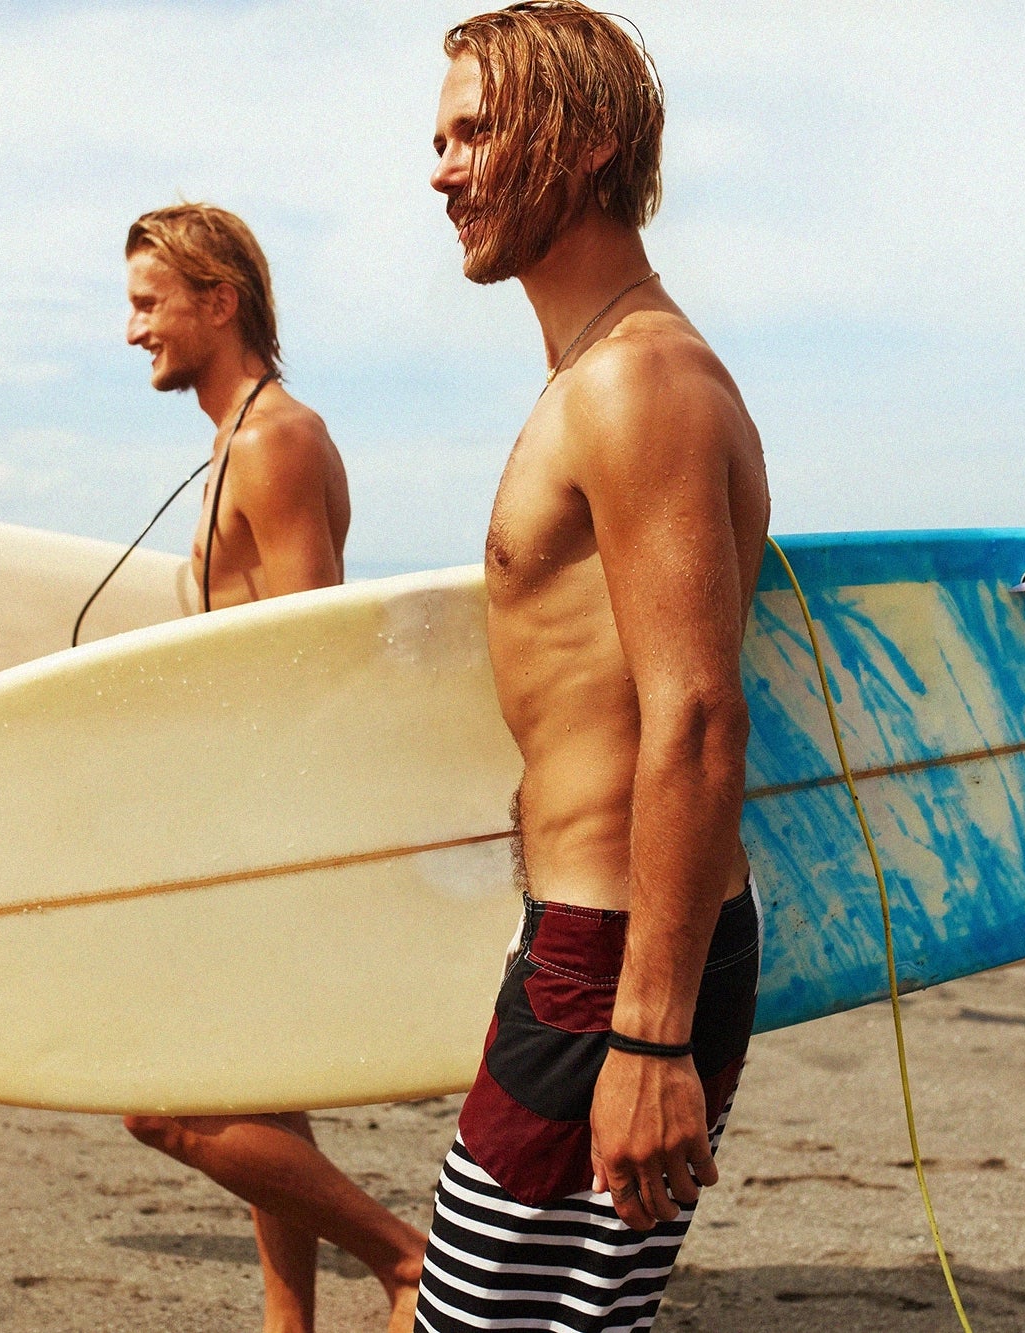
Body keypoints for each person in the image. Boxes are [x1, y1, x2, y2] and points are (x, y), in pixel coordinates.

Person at [415, 6, 770, 1330]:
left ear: (592, 140)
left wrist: (648, 1036)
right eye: (441, 138)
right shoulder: (594, 375)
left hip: (614, 969)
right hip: (585, 949)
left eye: (479, 131)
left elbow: (694, 717)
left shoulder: (641, 384)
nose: (443, 170)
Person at [118, 202, 424, 1333]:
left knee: (159, 1103)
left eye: (150, 303)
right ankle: (285, 1323)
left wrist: (258, 834)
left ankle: (404, 1261)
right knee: (265, 1095)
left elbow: (309, 654)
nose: (133, 329)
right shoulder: (234, 439)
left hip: (268, 824)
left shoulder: (274, 440)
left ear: (218, 299)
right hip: (238, 814)